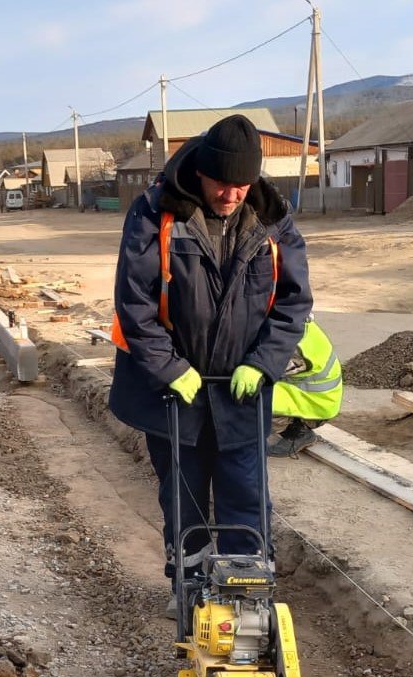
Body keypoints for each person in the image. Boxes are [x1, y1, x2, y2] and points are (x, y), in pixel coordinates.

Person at [107, 114, 313, 614]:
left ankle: (246, 593)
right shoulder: (156, 213)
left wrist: (263, 364)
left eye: (241, 185)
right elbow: (134, 305)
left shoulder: (272, 220)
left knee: (246, 492)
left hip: (241, 388)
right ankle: (192, 589)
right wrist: (171, 369)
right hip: (171, 391)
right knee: (186, 496)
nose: (231, 195)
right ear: (201, 171)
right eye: (222, 184)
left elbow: (293, 303)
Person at [268, 317, 343, 457]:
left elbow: (265, 370)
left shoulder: (294, 346)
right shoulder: (296, 321)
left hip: (316, 404)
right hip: (306, 392)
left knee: (247, 394)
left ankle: (297, 432)